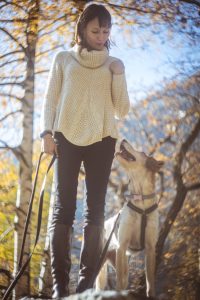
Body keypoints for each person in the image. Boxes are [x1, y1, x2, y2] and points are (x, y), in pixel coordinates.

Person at [40, 3, 130, 298]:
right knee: (62, 209)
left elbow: (122, 109)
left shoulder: (114, 63)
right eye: (95, 30)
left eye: (106, 31)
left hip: (102, 141)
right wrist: (46, 133)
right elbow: (50, 99)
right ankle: (58, 285)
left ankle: (86, 284)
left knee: (95, 211)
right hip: (65, 137)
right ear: (82, 30)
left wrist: (119, 74)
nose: (101, 36)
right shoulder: (63, 59)